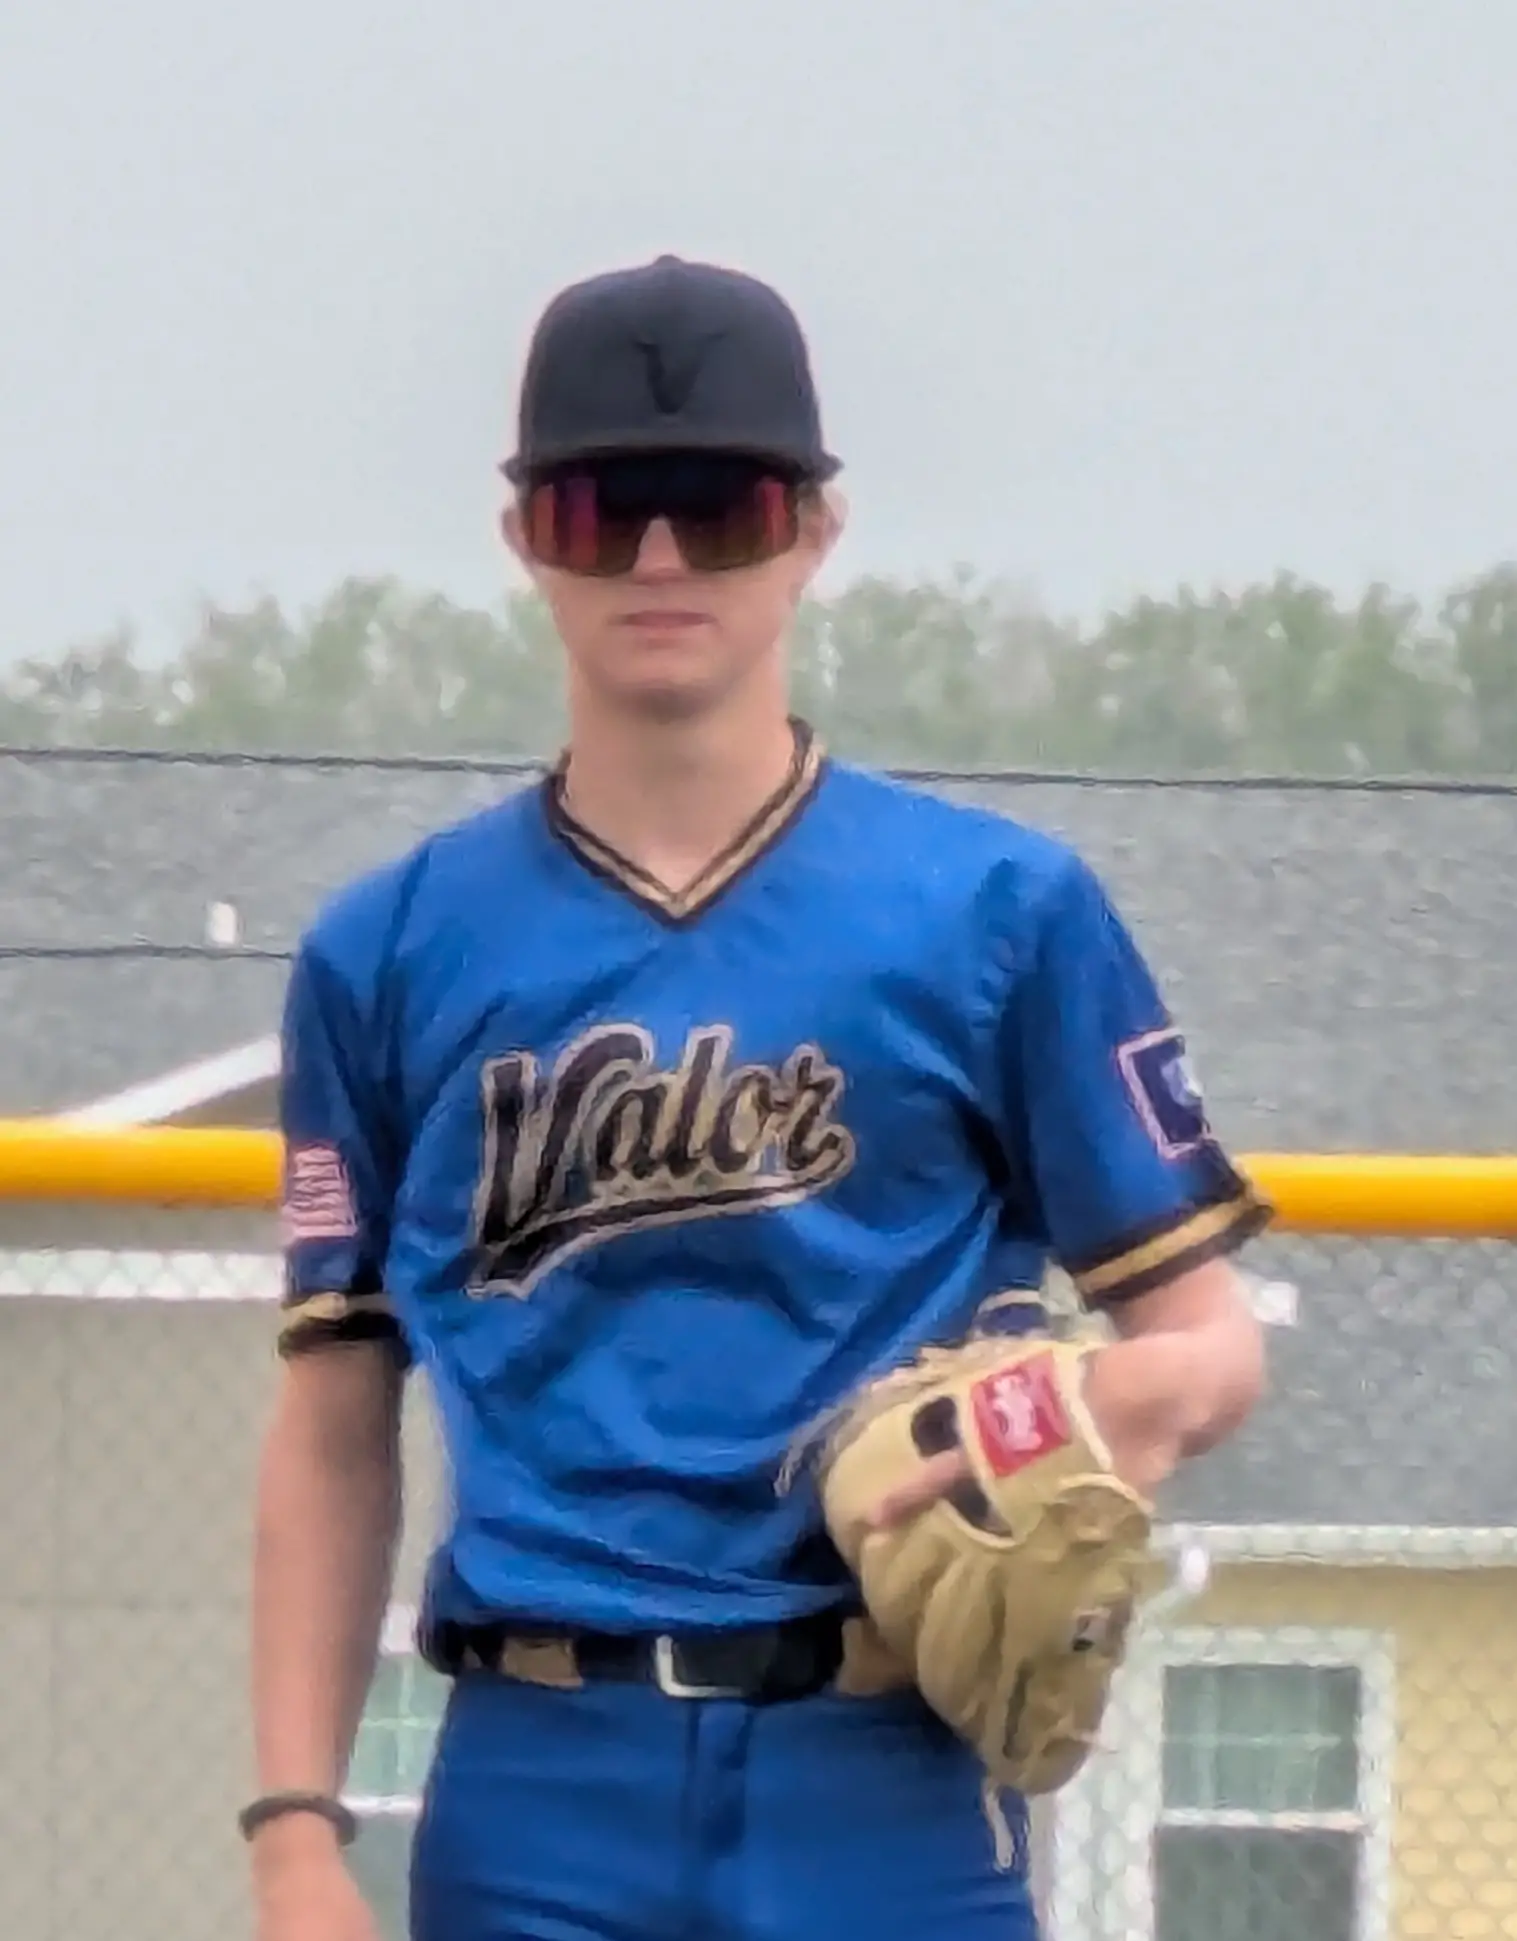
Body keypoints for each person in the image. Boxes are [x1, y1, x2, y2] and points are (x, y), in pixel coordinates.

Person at [245, 253, 1270, 1941]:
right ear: (524, 539)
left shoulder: (997, 913)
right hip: (537, 1773)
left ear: (814, 531)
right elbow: (334, 1417)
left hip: (887, 1768)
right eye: (599, 510)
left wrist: (1074, 1412)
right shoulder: (390, 951)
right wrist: (295, 1833)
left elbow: (1211, 1342)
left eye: (720, 509)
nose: (660, 560)